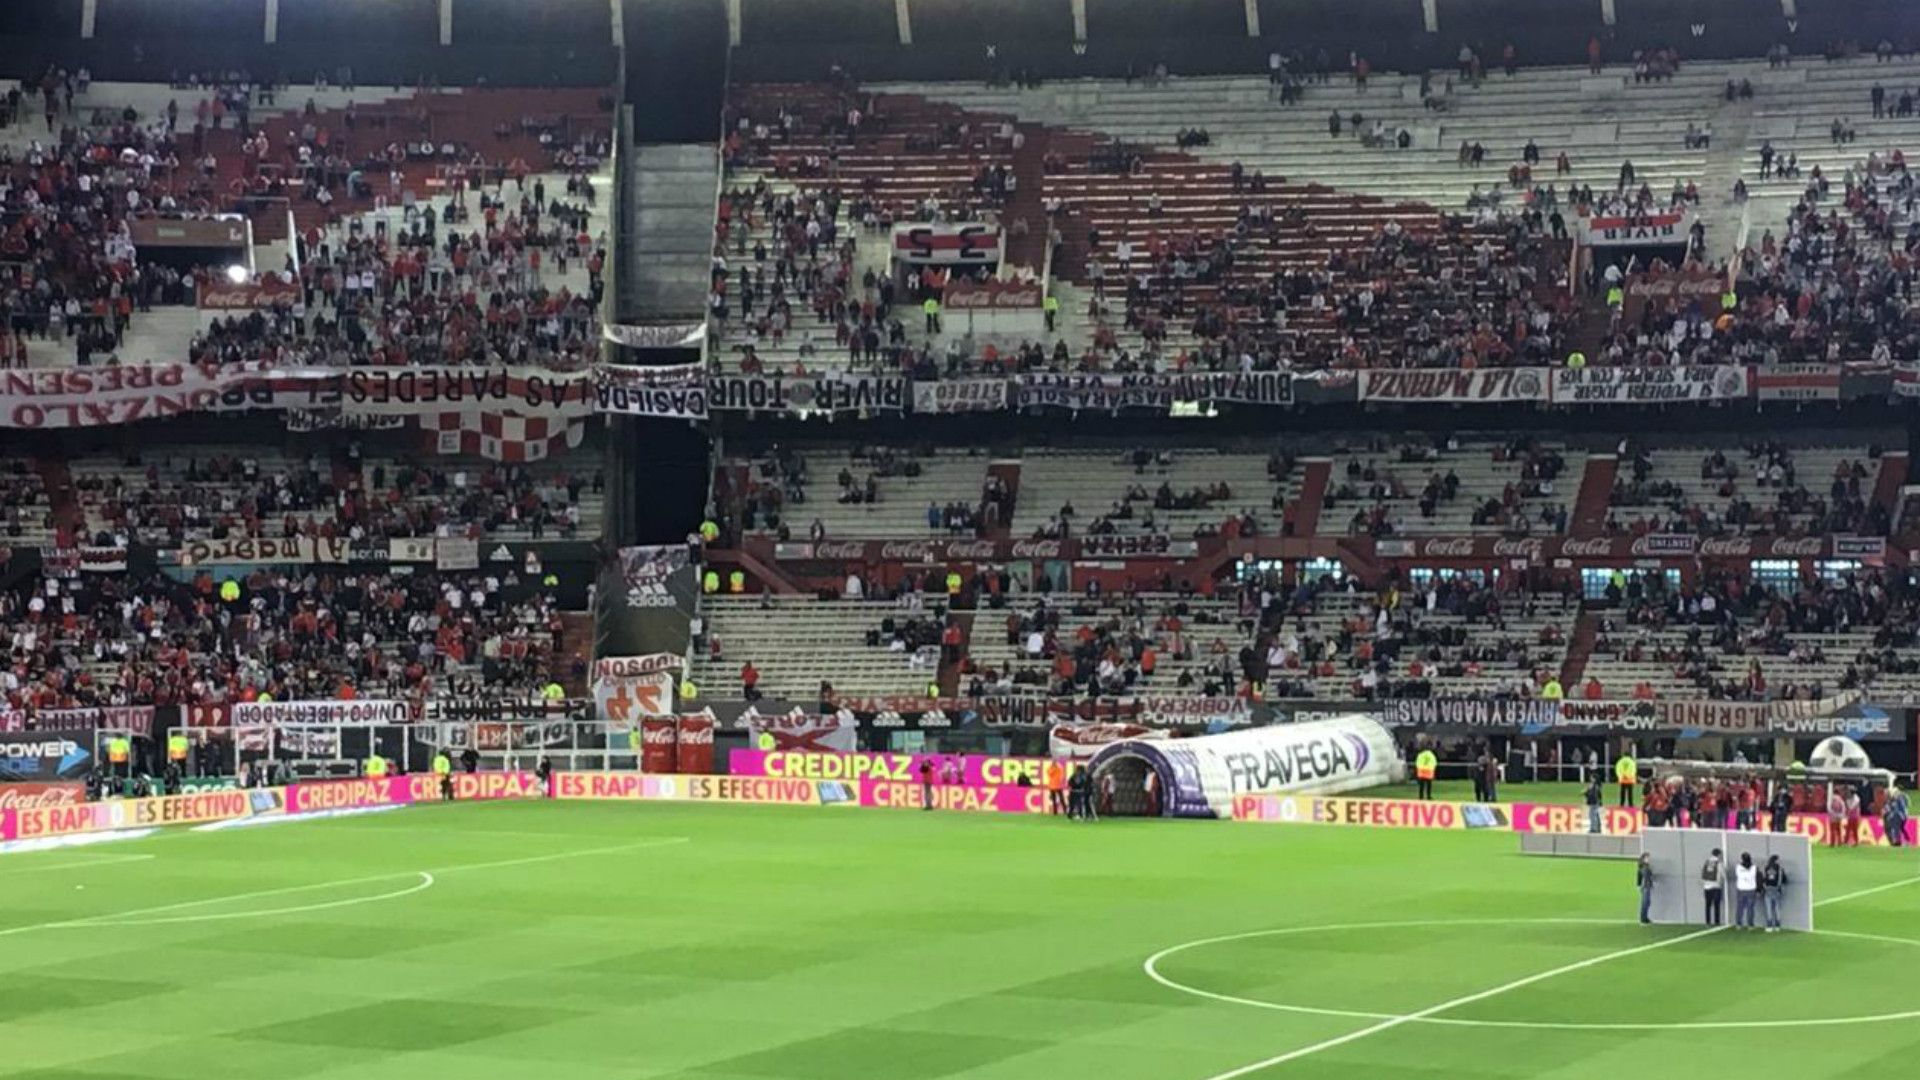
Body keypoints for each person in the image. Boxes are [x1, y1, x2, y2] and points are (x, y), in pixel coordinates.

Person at [1761, 854, 1787, 932]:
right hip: (1776, 889)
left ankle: (1769, 925)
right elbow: (1784, 879)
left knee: (1768, 908)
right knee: (1777, 908)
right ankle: (1777, 925)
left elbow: (1763, 879)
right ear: (1776, 860)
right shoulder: (1780, 869)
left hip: (1768, 889)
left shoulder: (1765, 868)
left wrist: (1764, 887)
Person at [1733, 852, 1759, 930]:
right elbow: (1755, 876)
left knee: (1739, 907)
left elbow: (1738, 875)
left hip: (1741, 889)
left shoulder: (1738, 867)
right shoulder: (1754, 867)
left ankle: (1738, 924)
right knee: (1750, 908)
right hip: (1751, 889)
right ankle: (1750, 925)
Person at [1701, 847, 1725, 926]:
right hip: (1716, 885)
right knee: (1716, 905)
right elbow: (1723, 874)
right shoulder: (1719, 863)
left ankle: (1708, 922)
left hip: (1706, 886)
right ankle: (1716, 922)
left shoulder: (1707, 862)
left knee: (1707, 905)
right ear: (1718, 854)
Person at [1636, 853, 1655, 924]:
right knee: (1645, 902)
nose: (1649, 859)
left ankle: (1645, 917)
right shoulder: (1643, 867)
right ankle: (1643, 918)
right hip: (1645, 887)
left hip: (1647, 886)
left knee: (1647, 902)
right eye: (1647, 858)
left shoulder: (1646, 867)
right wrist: (1639, 885)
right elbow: (1640, 877)